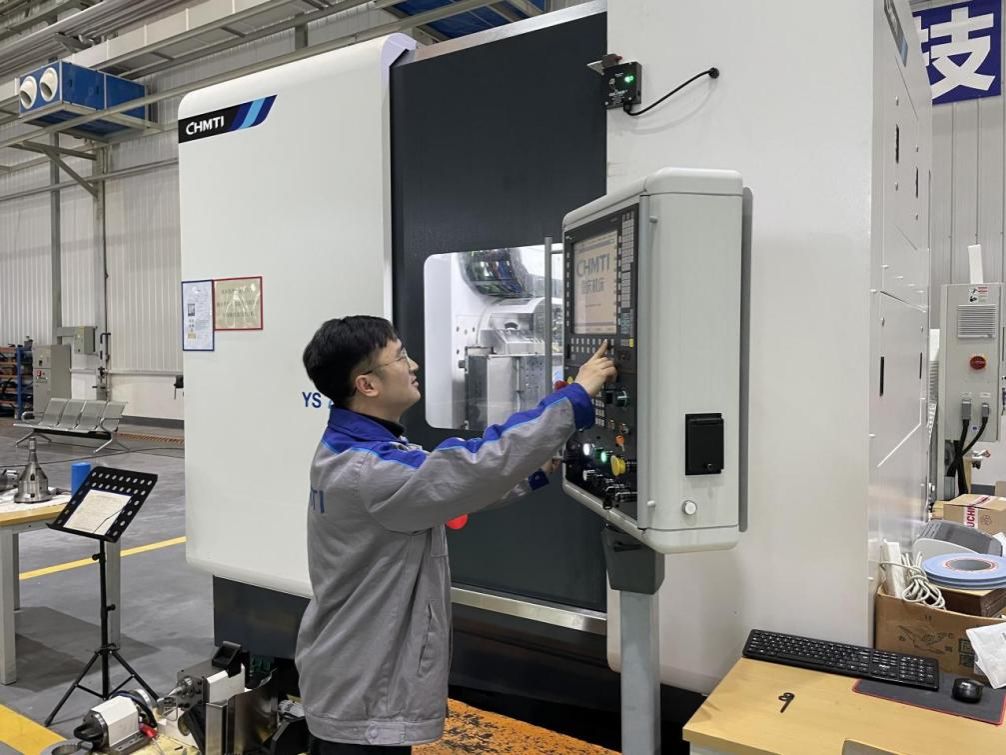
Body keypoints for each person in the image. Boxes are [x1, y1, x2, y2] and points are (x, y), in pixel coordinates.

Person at [295, 315, 617, 754]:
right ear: (367, 385)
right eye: (400, 357)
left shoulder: (352, 448)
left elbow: (446, 488)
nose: (414, 366)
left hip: (352, 673)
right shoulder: (371, 470)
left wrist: (533, 471)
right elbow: (472, 465)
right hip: (364, 689)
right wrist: (574, 398)